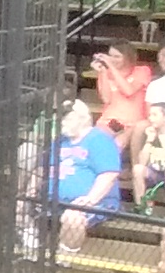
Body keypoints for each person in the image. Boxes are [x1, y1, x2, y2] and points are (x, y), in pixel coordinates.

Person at [45, 100, 122, 253]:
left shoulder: (99, 139)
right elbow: (43, 169)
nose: (61, 122)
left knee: (73, 217)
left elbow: (109, 175)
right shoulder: (59, 141)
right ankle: (29, 247)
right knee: (19, 206)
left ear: (81, 118)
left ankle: (65, 256)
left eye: (66, 118)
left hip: (92, 202)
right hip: (52, 200)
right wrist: (32, 189)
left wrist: (89, 200)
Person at [92, 40, 151, 152]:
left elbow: (128, 91)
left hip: (132, 123)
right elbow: (106, 99)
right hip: (109, 121)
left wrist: (111, 66)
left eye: (117, 57)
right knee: (96, 142)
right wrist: (103, 72)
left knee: (117, 145)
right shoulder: (106, 73)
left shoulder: (142, 71)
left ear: (127, 57)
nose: (112, 59)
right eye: (110, 56)